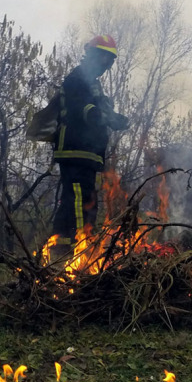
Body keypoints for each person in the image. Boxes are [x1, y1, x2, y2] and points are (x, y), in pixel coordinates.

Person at [50, 34, 129, 258]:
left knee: (79, 201)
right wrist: (106, 118)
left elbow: (98, 110)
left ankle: (61, 251)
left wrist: (114, 118)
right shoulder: (77, 78)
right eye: (106, 60)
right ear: (95, 56)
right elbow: (82, 110)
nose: (108, 66)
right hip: (75, 150)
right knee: (79, 201)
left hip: (88, 154)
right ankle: (77, 250)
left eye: (111, 62)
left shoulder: (93, 84)